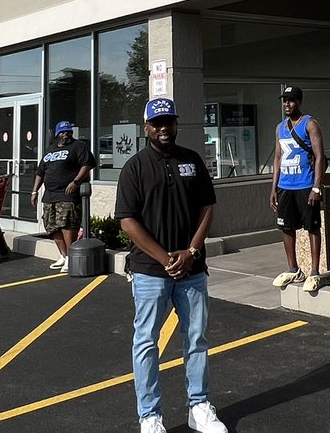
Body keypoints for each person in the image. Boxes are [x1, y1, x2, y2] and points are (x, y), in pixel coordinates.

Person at [115, 97, 228, 433]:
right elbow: (127, 221)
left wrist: (191, 251)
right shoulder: (134, 167)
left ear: (176, 124)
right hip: (150, 272)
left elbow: (207, 207)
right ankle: (150, 416)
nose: (163, 128)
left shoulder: (192, 160)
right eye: (157, 123)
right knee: (146, 343)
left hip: (192, 270)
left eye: (169, 122)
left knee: (196, 339)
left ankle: (199, 407)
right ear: (146, 127)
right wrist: (165, 258)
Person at [268, 85, 326, 291]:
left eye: (291, 100)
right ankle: (293, 269)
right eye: (285, 100)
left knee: (312, 226)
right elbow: (277, 158)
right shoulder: (280, 127)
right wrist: (273, 188)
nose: (287, 104)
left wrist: (316, 187)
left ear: (299, 102)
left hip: (305, 184)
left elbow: (319, 156)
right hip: (285, 185)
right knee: (286, 227)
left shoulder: (310, 124)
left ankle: (314, 272)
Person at [32, 120, 96, 272]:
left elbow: (87, 164)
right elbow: (40, 172)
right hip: (50, 196)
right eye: (62, 132)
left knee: (67, 225)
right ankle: (64, 255)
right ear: (57, 134)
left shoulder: (78, 146)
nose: (66, 134)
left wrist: (76, 181)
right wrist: (34, 191)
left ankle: (71, 257)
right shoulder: (50, 150)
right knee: (52, 226)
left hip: (67, 195)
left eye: (68, 131)